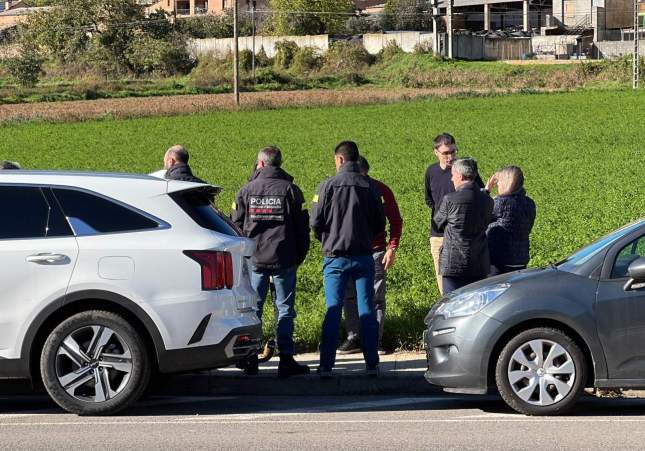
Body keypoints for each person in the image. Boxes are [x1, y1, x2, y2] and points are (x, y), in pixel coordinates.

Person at [231, 146, 311, 378]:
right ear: (279, 163)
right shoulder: (291, 190)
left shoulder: (245, 191)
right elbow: (301, 228)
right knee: (285, 309)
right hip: (284, 258)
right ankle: (286, 359)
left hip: (255, 259)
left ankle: (250, 359)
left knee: (253, 309)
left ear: (261, 164)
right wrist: (299, 256)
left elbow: (235, 226)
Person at [311, 141, 386, 378]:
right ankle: (372, 363)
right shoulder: (370, 186)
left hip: (334, 258)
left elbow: (315, 222)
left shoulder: (327, 186)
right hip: (363, 256)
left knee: (333, 309)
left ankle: (325, 366)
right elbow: (379, 223)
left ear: (340, 160)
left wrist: (327, 238)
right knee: (367, 309)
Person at [338, 156, 403, 356]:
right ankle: (354, 338)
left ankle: (374, 340)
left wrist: (392, 247)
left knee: (375, 297)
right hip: (347, 251)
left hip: (375, 251)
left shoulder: (381, 190)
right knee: (350, 296)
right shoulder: (342, 189)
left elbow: (395, 220)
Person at [424, 133, 483, 295]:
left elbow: (479, 196)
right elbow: (429, 199)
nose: (450, 157)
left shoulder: (465, 170)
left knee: (468, 284)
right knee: (443, 282)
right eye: (445, 153)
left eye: (453, 152)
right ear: (436, 152)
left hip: (463, 235)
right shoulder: (431, 172)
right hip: (438, 235)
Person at [434, 158, 494, 294]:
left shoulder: (450, 199)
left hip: (453, 262)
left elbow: (437, 223)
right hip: (479, 263)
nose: (451, 179)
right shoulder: (488, 200)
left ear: (460, 176)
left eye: (453, 175)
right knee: (477, 303)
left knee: (451, 303)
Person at [485, 166, 536, 275]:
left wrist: (486, 191)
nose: (497, 185)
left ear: (506, 183)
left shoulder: (499, 203)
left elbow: (479, 215)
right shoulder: (529, 203)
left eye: (498, 182)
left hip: (498, 259)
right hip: (520, 260)